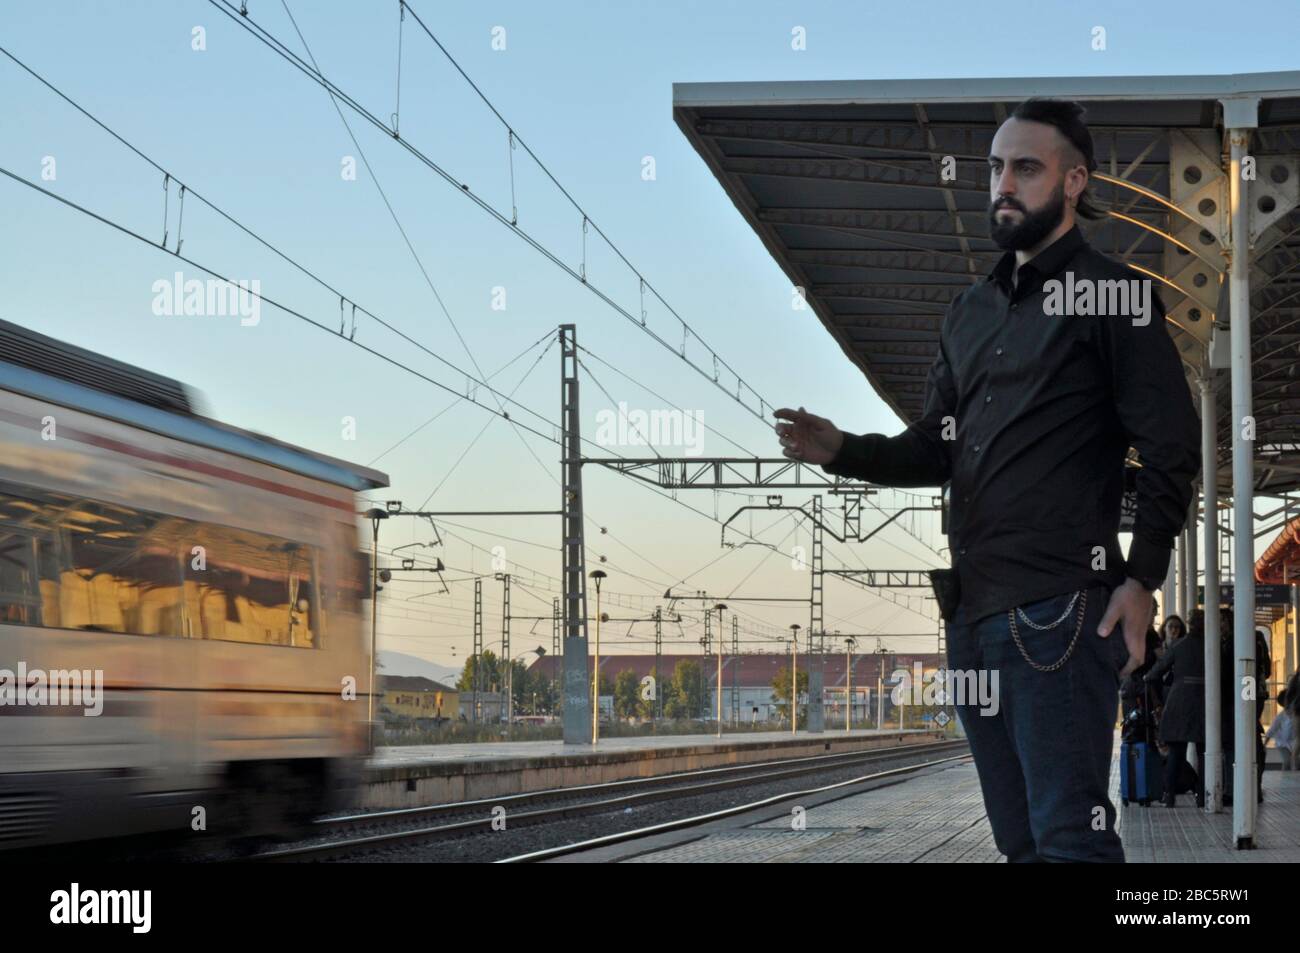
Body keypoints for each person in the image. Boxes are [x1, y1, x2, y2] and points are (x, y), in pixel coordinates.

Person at [774, 98, 1200, 863]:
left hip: (1060, 613)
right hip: (971, 618)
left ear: (1074, 182)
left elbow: (1173, 446)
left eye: (1026, 168)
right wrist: (843, 449)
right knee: (1021, 844)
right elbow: (936, 448)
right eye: (997, 167)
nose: (1004, 183)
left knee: (1071, 837)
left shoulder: (1118, 299)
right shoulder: (967, 313)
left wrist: (1142, 579)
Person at [1143, 609, 1208, 807]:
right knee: (1204, 752)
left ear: (1188, 625)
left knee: (1176, 753)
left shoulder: (1178, 646)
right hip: (1205, 701)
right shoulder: (1211, 645)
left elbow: (1153, 674)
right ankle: (1203, 794)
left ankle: (1169, 795)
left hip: (1178, 701)